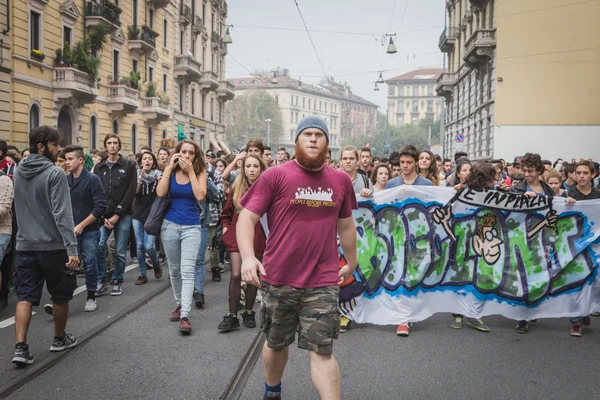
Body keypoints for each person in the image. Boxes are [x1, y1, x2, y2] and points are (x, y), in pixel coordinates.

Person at [236, 116, 358, 400]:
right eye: (308, 134)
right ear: (297, 141)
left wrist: (351, 262)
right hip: (279, 278)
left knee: (322, 350)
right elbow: (246, 218)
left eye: (319, 135)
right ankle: (272, 391)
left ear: (328, 144)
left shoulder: (340, 180)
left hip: (322, 280)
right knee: (277, 343)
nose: (313, 139)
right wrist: (248, 257)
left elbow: (347, 226)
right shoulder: (275, 175)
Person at [11, 126, 80, 366]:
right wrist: (72, 249)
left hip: (25, 245)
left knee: (25, 296)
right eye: (55, 144)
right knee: (60, 295)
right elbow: (63, 214)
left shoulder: (19, 170)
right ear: (41, 146)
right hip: (53, 247)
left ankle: (20, 348)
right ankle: (59, 339)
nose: (60, 149)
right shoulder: (55, 173)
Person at [156, 139, 207, 334]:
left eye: (190, 153)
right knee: (175, 270)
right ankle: (179, 304)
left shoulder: (199, 171)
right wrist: (169, 168)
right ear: (177, 153)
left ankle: (185, 314)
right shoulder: (171, 170)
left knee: (187, 271)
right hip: (169, 226)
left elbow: (200, 195)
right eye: (183, 152)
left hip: (191, 227)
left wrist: (191, 171)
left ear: (195, 156)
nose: (186, 156)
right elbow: (160, 192)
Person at [53, 145, 107, 313]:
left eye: (70, 159)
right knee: (69, 264)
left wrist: (82, 225)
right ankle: (62, 299)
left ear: (80, 160)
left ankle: (91, 297)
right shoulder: (64, 179)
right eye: (65, 159)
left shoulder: (92, 179)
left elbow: (100, 207)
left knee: (90, 263)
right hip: (69, 231)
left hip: (90, 230)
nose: (67, 162)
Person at [217, 155, 267, 332]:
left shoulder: (268, 188)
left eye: (255, 166)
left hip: (259, 237)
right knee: (236, 274)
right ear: (243, 168)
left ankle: (248, 312)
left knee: (252, 276)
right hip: (237, 236)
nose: (252, 169)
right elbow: (226, 214)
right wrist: (225, 228)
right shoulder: (237, 188)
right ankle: (232, 315)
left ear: (261, 168)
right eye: (248, 166)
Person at [386, 144, 432, 336]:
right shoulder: (391, 184)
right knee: (399, 274)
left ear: (415, 163)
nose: (404, 166)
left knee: (416, 275)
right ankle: (402, 318)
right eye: (402, 162)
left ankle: (412, 312)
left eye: (408, 162)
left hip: (420, 236)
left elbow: (432, 209)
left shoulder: (426, 185)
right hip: (397, 236)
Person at [510, 152, 554, 334]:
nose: (527, 174)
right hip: (522, 237)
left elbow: (554, 209)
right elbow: (510, 210)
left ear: (539, 171)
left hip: (542, 238)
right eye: (524, 170)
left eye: (530, 171)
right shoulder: (518, 189)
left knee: (539, 274)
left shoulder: (548, 190)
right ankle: (522, 317)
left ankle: (532, 308)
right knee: (522, 276)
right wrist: (522, 200)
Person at [449, 162, 493, 333]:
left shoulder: (493, 193)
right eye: (491, 178)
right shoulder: (459, 191)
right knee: (459, 274)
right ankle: (458, 313)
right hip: (461, 239)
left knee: (483, 275)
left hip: (484, 240)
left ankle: (474, 313)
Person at [93, 134, 137, 297]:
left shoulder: (129, 165)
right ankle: (102, 279)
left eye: (115, 143)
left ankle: (118, 280)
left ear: (119, 146)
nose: (112, 146)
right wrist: (104, 216)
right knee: (99, 246)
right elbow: (96, 192)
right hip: (103, 214)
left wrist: (117, 214)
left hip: (123, 214)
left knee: (119, 250)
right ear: (106, 146)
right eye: (109, 143)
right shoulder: (99, 167)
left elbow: (130, 191)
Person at [564, 161, 600, 337]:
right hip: (574, 246)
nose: (581, 176)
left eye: (585, 173)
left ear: (592, 175)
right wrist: (566, 204)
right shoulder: (568, 195)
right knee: (576, 282)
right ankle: (576, 321)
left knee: (593, 282)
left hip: (594, 246)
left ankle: (585, 311)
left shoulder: (598, 196)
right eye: (578, 173)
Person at [132, 152, 163, 285]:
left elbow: (161, 193)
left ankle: (155, 263)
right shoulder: (137, 173)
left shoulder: (158, 174)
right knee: (139, 246)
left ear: (153, 162)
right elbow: (135, 192)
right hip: (138, 213)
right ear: (140, 161)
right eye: (144, 159)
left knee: (148, 246)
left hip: (152, 214)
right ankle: (142, 274)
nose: (147, 161)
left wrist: (159, 180)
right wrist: (141, 176)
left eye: (150, 159)